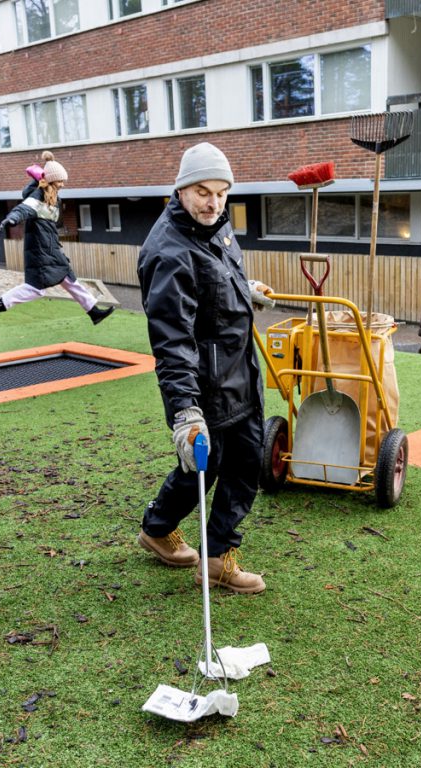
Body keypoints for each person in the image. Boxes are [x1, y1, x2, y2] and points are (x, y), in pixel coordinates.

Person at [135, 142, 275, 595]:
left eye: (221, 192)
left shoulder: (215, 227)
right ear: (179, 190)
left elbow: (212, 279)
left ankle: (191, 546)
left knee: (241, 463)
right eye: (201, 191)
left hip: (240, 373)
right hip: (205, 387)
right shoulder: (168, 252)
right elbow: (172, 340)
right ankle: (174, 538)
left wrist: (244, 289)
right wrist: (185, 412)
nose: (213, 202)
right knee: (210, 466)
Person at [0, 151, 114, 327]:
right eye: (60, 181)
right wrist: (11, 219)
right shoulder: (37, 197)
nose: (62, 185)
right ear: (50, 181)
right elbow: (23, 209)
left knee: (69, 279)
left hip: (50, 247)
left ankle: (93, 311)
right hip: (40, 250)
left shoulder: (54, 199)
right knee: (36, 289)